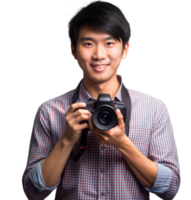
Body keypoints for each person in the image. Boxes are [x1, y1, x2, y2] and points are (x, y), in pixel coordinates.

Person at [21, 0, 182, 199]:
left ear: (125, 49)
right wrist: (67, 140)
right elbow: (33, 192)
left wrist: (123, 143)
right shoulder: (50, 110)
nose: (99, 54)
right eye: (88, 44)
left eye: (109, 43)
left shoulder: (155, 108)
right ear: (73, 51)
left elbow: (171, 189)